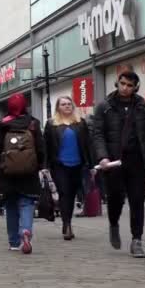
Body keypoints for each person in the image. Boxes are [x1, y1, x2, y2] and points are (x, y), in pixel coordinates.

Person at [93, 70, 145, 258]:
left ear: (135, 87)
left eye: (130, 85)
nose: (125, 88)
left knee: (138, 200)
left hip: (136, 160)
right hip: (113, 161)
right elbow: (98, 134)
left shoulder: (141, 106)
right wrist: (102, 157)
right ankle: (113, 223)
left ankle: (137, 240)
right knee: (115, 199)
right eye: (122, 83)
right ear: (117, 83)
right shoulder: (104, 106)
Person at [0, 93, 44, 254]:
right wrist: (40, 165)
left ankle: (14, 241)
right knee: (27, 203)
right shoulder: (33, 123)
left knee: (11, 205)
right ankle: (26, 231)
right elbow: (41, 148)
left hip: (7, 173)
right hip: (29, 172)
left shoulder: (2, 125)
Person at [44, 96, 94, 240]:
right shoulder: (51, 124)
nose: (67, 106)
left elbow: (88, 145)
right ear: (58, 107)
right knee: (64, 193)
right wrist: (45, 166)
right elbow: (46, 146)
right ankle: (67, 225)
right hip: (59, 165)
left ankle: (68, 221)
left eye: (69, 104)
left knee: (71, 195)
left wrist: (91, 165)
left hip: (77, 165)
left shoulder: (80, 123)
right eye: (63, 104)